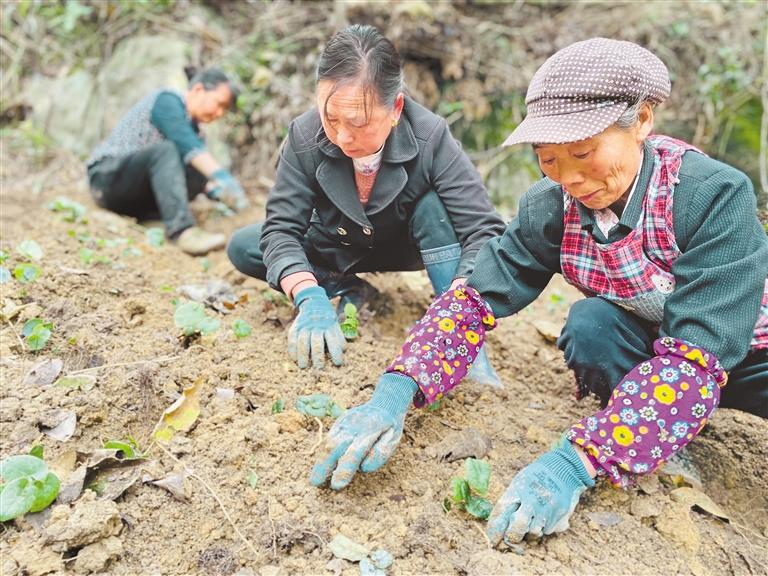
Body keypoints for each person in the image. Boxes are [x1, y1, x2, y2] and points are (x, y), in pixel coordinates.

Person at [309, 38, 768, 547]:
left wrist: (572, 464)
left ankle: (656, 425)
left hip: (742, 350)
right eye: (549, 159)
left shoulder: (713, 194)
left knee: (699, 373)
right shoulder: (553, 206)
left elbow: (698, 355)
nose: (570, 178)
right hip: (648, 345)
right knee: (591, 326)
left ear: (640, 121)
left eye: (583, 153)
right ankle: (658, 435)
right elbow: (474, 299)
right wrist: (393, 395)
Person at [227, 25, 506, 379]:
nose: (342, 136)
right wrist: (308, 295)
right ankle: (347, 286)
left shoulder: (430, 134)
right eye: (331, 118)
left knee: (433, 206)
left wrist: (460, 302)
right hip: (336, 244)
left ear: (395, 108)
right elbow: (282, 227)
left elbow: (483, 228)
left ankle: (462, 341)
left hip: (406, 245)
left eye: (358, 122)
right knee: (246, 246)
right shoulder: (304, 134)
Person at [87, 67, 249, 256]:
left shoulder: (196, 131)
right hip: (107, 178)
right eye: (219, 104)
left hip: (135, 193)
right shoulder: (167, 101)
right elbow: (187, 144)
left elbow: (190, 163)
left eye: (224, 110)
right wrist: (223, 177)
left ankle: (152, 218)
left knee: (197, 173)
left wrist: (215, 191)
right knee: (167, 150)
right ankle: (183, 231)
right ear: (198, 90)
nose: (220, 113)